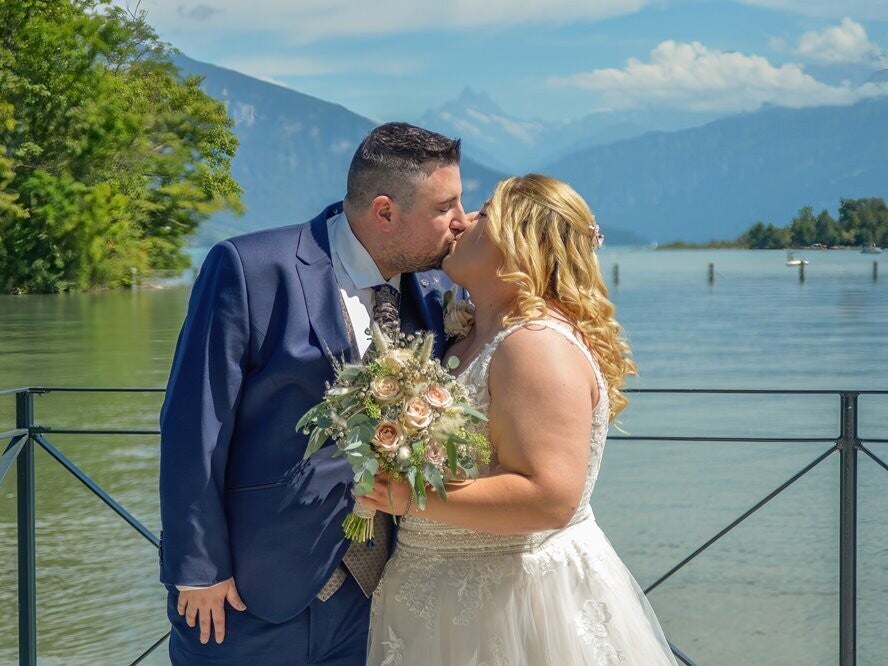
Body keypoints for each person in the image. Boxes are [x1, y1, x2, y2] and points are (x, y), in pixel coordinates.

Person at [158, 122, 468, 665]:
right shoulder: (252, 269)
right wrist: (199, 568)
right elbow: (195, 423)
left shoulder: (438, 287)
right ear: (385, 212)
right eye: (445, 207)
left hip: (385, 595)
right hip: (251, 593)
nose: (462, 220)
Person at [361, 174, 678, 665]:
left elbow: (549, 497)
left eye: (484, 213)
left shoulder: (535, 345)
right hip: (432, 595)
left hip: (514, 604)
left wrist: (409, 497)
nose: (463, 221)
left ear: (518, 241)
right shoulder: (469, 333)